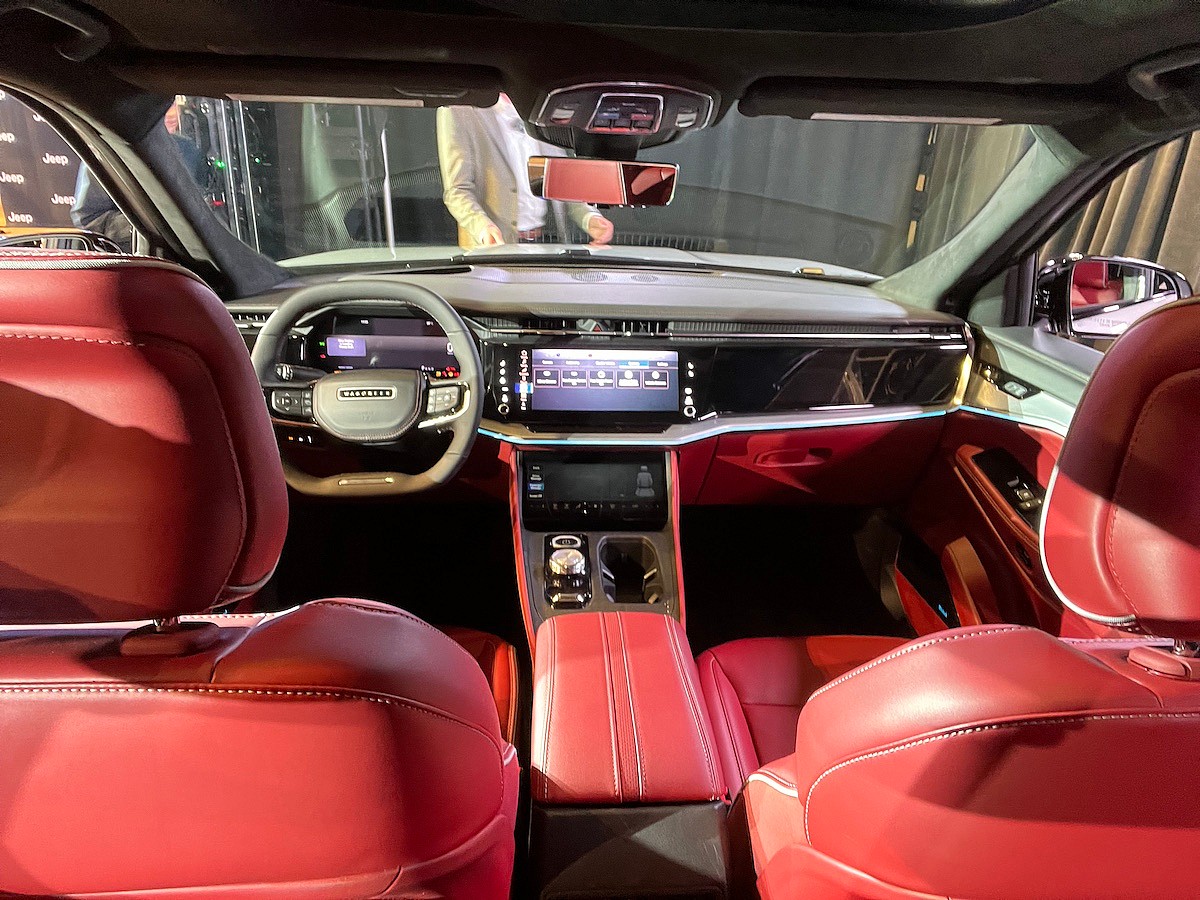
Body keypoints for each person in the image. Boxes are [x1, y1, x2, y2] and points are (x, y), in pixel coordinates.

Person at [437, 94, 615, 249]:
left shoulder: (544, 106)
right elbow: (457, 191)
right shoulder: (459, 110)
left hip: (547, 244)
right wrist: (483, 229)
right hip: (492, 253)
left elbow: (562, 179)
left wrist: (589, 218)